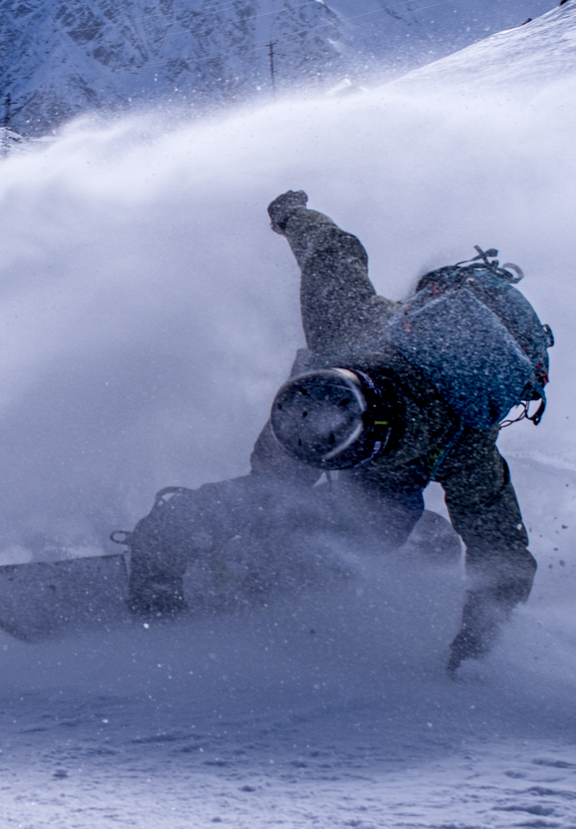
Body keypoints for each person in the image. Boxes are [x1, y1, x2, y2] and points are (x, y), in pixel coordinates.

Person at [120, 191, 542, 672]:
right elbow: (331, 250)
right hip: (306, 404)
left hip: (387, 469)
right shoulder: (346, 323)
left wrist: (477, 644)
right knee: (274, 487)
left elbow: (501, 551)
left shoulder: (459, 443)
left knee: (357, 535)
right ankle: (180, 542)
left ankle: (291, 565)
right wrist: (292, 215)